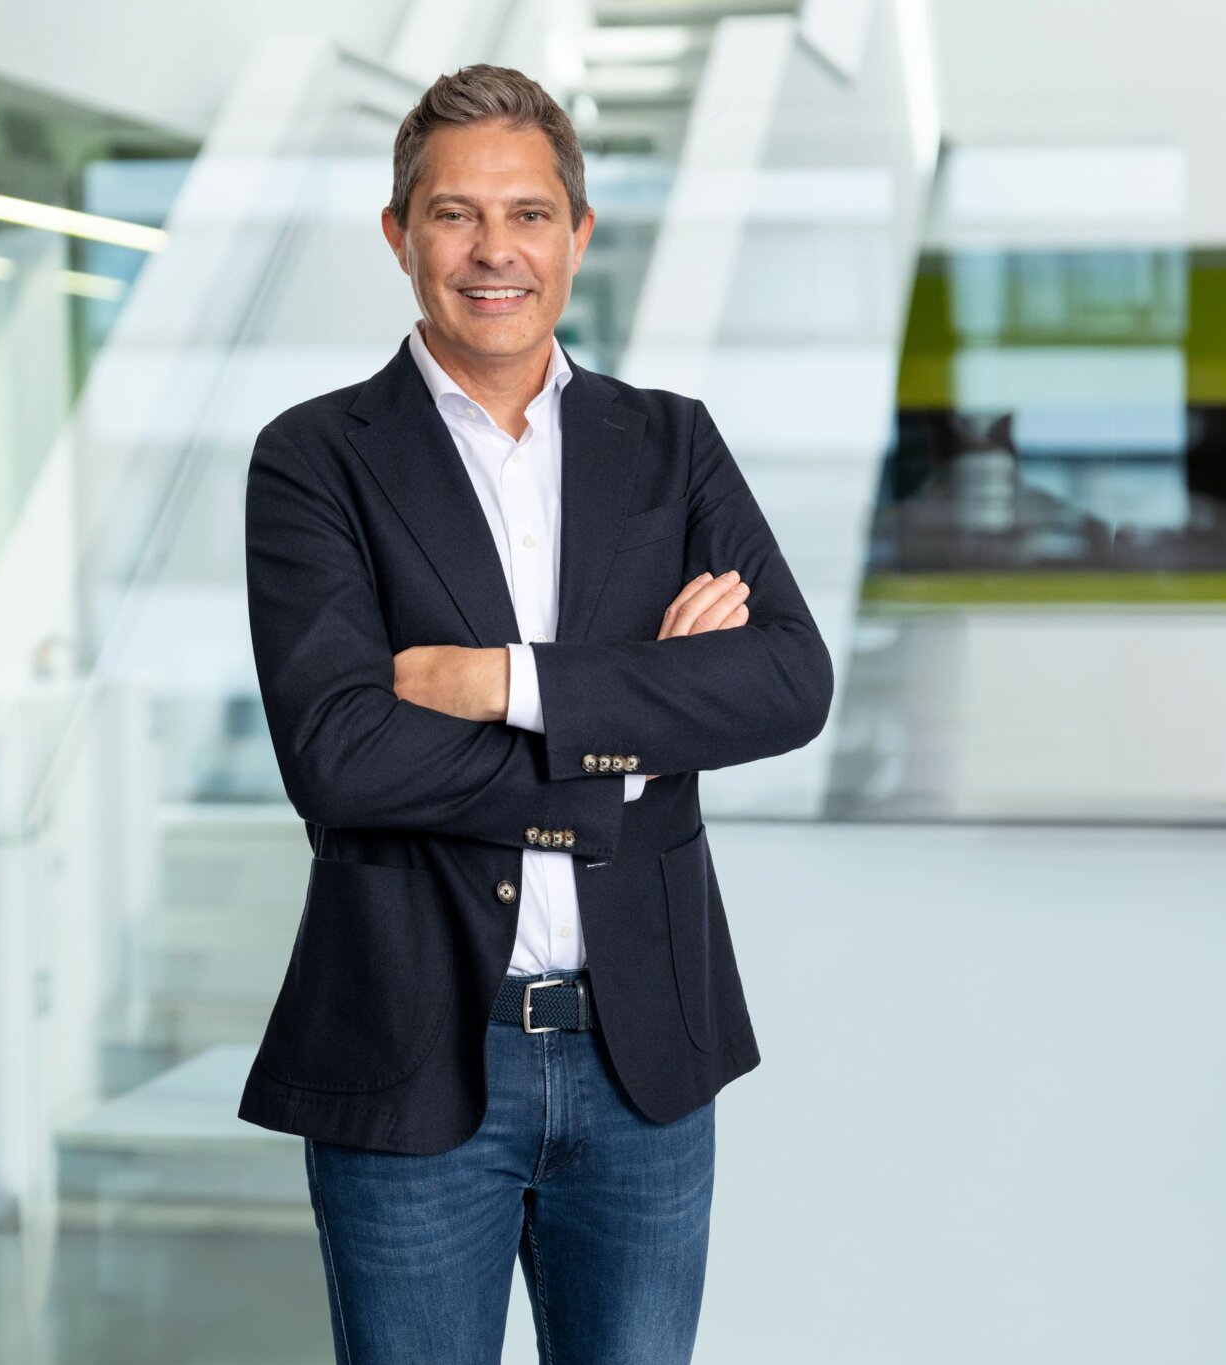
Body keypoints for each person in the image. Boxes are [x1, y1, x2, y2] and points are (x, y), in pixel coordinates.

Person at [237, 62, 833, 1365]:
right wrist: (634, 733)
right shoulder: (314, 458)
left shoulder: (670, 444)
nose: (492, 250)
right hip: (411, 1045)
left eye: (527, 214)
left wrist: (505, 683)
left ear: (578, 234)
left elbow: (790, 680)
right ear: (399, 234)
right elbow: (341, 755)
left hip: (643, 1052)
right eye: (454, 214)